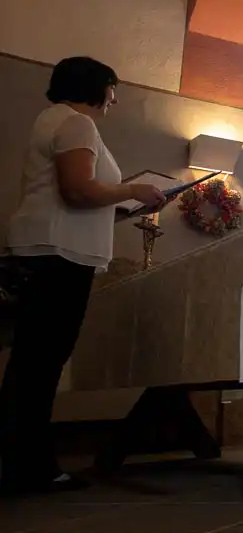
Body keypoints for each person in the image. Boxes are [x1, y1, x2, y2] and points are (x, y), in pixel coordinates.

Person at [1, 57, 167, 496]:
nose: (114, 99)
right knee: (40, 363)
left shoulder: (53, 119)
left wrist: (123, 206)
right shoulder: (76, 124)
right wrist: (133, 190)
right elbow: (78, 191)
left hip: (51, 249)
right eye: (113, 89)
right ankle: (29, 468)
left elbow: (78, 198)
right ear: (100, 85)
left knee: (33, 362)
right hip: (57, 257)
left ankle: (24, 462)